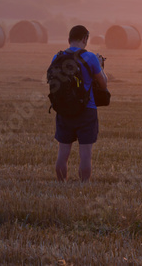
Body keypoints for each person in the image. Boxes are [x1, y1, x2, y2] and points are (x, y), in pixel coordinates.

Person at [53, 25, 108, 182]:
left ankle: (61, 186)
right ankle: (83, 187)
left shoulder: (57, 58)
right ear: (85, 39)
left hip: (63, 110)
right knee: (85, 155)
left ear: (68, 40)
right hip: (86, 110)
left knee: (62, 154)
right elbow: (103, 84)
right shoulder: (90, 58)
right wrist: (100, 66)